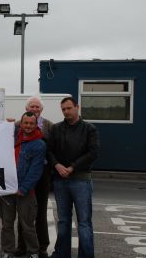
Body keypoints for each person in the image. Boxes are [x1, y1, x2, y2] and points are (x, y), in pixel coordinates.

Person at [49, 97, 99, 258]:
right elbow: (49, 151)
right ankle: (62, 254)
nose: (66, 112)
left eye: (69, 108)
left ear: (77, 107)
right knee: (63, 221)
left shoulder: (89, 129)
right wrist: (56, 165)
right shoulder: (56, 129)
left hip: (81, 180)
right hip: (60, 181)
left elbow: (93, 153)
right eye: (63, 109)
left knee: (84, 222)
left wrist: (72, 167)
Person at [0, 112, 45, 258]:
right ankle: (8, 251)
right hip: (7, 189)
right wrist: (7, 124)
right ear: (21, 123)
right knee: (7, 224)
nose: (28, 126)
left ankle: (33, 252)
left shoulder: (39, 144)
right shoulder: (12, 136)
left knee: (27, 225)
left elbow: (36, 170)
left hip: (25, 192)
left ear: (36, 124)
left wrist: (23, 188)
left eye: (31, 123)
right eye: (26, 123)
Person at [15, 96, 53, 258]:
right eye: (32, 106)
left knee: (41, 210)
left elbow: (52, 148)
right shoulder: (17, 125)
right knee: (24, 211)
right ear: (27, 109)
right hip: (23, 172)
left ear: (41, 109)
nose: (34, 109)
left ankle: (42, 246)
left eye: (37, 107)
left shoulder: (49, 126)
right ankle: (22, 245)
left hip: (42, 173)